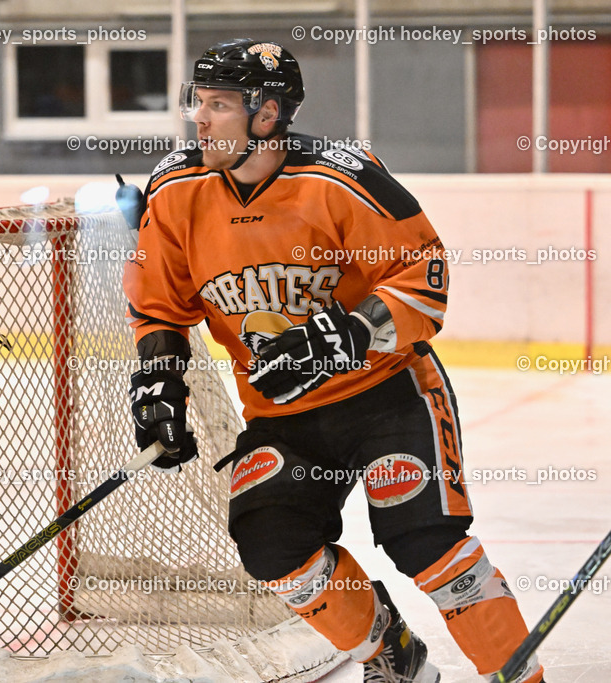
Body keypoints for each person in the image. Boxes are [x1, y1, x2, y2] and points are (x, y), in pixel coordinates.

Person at [124, 39, 544, 683]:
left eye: (218, 105)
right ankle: (390, 653)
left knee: (427, 544)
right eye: (196, 103)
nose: (199, 119)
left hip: (388, 397)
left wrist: (342, 335)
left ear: (267, 115)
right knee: (272, 546)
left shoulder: (342, 177)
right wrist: (157, 384)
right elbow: (160, 307)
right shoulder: (176, 191)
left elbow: (424, 282)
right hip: (284, 417)